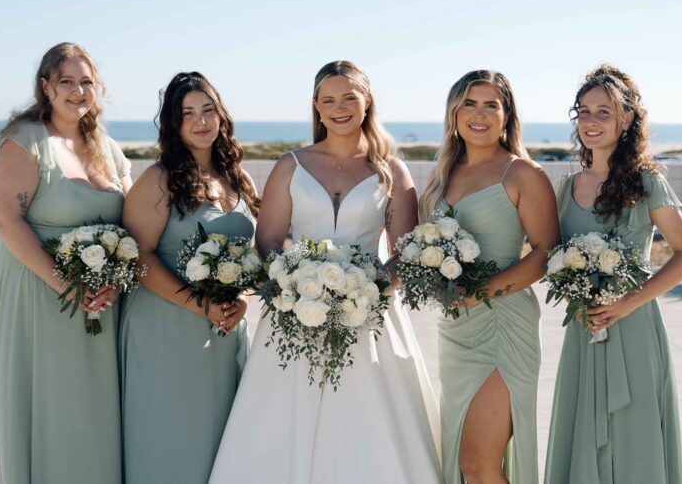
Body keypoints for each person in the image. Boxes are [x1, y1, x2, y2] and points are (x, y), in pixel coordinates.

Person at [210, 60, 442, 483]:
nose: (339, 108)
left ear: (366, 101)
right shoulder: (290, 165)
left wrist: (362, 291)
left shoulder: (391, 170)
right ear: (316, 107)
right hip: (293, 314)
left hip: (369, 318)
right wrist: (295, 289)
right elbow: (267, 243)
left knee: (370, 423)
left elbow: (405, 252)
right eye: (329, 99)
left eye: (349, 97)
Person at [544, 64, 682, 484]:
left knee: (634, 440)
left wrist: (626, 304)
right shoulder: (564, 187)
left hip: (633, 329)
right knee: (582, 434)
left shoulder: (647, 182)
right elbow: (546, 254)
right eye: (584, 111)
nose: (590, 122)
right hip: (582, 331)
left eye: (604, 112)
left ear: (627, 119)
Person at [0, 42, 131, 483]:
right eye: (66, 81)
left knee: (90, 407)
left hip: (99, 298)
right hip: (34, 289)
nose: (77, 91)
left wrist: (117, 282)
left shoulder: (107, 147)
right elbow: (6, 220)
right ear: (45, 87)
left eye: (86, 81)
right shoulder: (26, 141)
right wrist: (66, 286)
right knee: (46, 404)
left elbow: (134, 221)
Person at [119, 72, 260, 484]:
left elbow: (254, 256)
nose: (201, 121)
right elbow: (138, 258)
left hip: (225, 330)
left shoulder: (239, 179)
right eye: (187, 114)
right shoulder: (159, 180)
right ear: (173, 125)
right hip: (165, 329)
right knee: (168, 439)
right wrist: (201, 304)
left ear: (221, 116)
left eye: (208, 110)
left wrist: (244, 301)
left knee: (221, 445)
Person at [419, 70, 559, 484]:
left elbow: (546, 252)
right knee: (462, 461)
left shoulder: (522, 174)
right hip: (455, 330)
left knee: (477, 462)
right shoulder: (441, 173)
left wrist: (480, 293)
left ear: (506, 114)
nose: (478, 114)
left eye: (490, 105)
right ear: (454, 113)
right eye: (468, 103)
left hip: (503, 326)